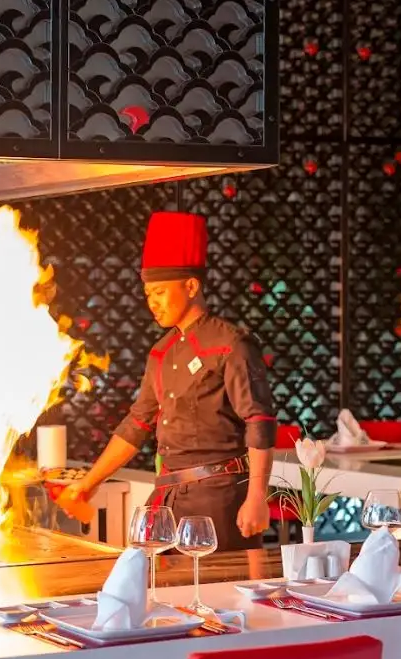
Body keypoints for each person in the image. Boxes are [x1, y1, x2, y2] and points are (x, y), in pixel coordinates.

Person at [62, 212, 277, 551]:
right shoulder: (160, 352)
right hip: (165, 499)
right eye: (148, 294)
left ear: (191, 287)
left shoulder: (231, 344)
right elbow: (137, 424)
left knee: (218, 584)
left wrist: (256, 498)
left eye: (160, 292)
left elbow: (259, 421)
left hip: (219, 498)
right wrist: (89, 484)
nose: (153, 304)